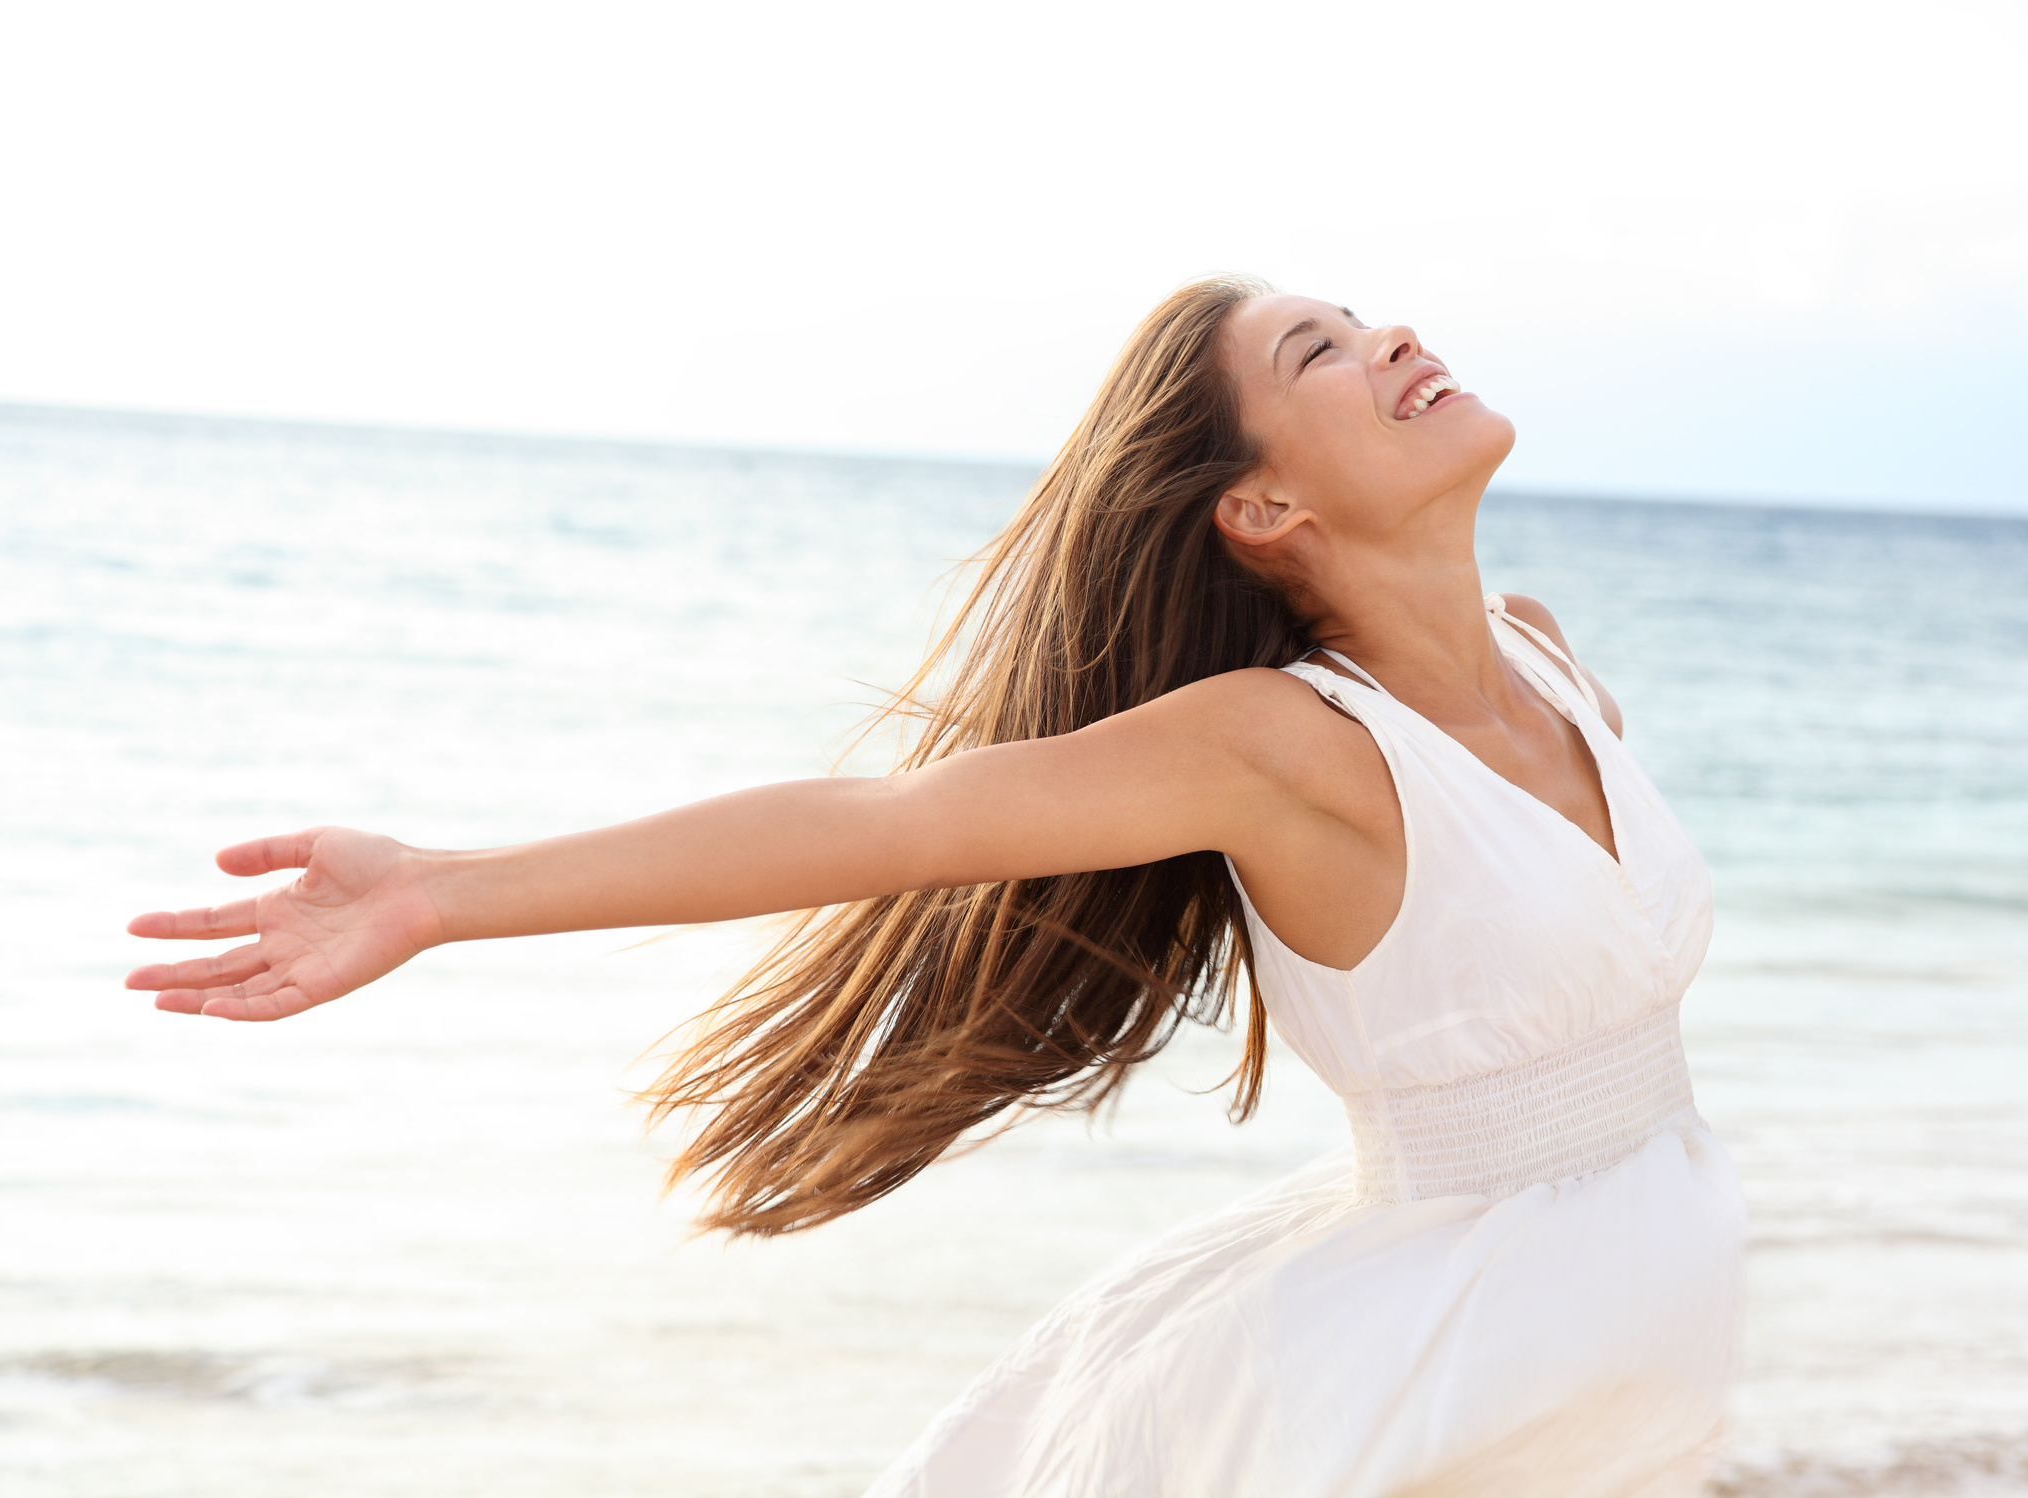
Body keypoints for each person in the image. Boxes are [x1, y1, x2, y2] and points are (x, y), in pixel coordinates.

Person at [125, 275, 1744, 1495]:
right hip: (1439, 1384)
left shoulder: (1549, 657)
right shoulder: (1287, 748)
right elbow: (884, 822)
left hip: (1618, 1377)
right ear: (1262, 506)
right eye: (1321, 350)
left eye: (1365, 316)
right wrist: (439, 884)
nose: (1390, 337)